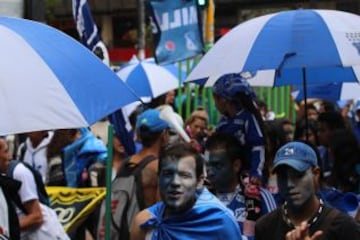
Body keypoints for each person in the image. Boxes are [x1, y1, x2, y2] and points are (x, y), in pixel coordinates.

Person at [130, 142, 242, 240]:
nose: (175, 182)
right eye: (168, 174)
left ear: (199, 181)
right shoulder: (145, 223)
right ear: (159, 178)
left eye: (184, 175)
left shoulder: (219, 221)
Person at [255, 141, 360, 240]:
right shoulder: (265, 226)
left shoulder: (343, 227)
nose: (289, 184)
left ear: (316, 174)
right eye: (283, 177)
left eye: (298, 175)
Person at [205, 132, 277, 239]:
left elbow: (275, 234)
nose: (210, 172)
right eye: (208, 165)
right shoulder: (199, 199)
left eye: (217, 165)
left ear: (236, 165)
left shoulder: (260, 197)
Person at [0, 137, 70, 240]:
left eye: (7, 151)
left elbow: (37, 217)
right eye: (5, 152)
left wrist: (7, 228)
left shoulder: (19, 172)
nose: (9, 156)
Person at [212, 73, 266, 185]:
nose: (215, 104)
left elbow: (258, 146)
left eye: (215, 99)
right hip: (225, 176)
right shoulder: (223, 122)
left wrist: (256, 172)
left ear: (223, 100)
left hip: (247, 178)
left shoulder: (247, 118)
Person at [130, 108, 171, 208]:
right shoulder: (158, 167)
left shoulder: (127, 162)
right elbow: (161, 210)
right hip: (147, 222)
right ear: (164, 134)